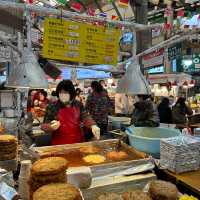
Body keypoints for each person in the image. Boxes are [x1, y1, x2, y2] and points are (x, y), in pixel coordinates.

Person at [41, 80, 100, 145]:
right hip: (59, 143)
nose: (63, 95)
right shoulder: (52, 106)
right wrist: (50, 127)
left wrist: (93, 125)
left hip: (78, 141)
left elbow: (85, 117)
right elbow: (44, 125)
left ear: (71, 93)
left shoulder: (78, 104)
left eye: (66, 93)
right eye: (61, 92)